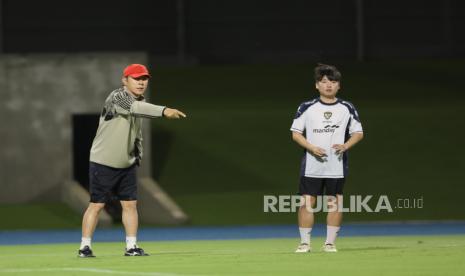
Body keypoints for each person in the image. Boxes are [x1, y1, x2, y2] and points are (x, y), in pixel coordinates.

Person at [78, 64, 186, 257]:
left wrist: (137, 155)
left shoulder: (140, 101)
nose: (141, 82)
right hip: (103, 161)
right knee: (96, 205)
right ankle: (84, 247)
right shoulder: (117, 97)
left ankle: (131, 246)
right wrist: (164, 110)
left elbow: (136, 133)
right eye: (136, 78)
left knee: (130, 205)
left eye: (144, 79)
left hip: (126, 164)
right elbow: (135, 108)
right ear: (124, 80)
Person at [290, 63, 363, 253]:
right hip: (312, 165)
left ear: (339, 85)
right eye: (324, 82)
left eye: (333, 81)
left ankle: (329, 243)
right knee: (307, 202)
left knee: (335, 202)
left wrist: (346, 145)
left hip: (336, 164)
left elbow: (358, 132)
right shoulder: (307, 107)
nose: (328, 85)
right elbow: (296, 133)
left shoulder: (347, 107)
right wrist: (312, 147)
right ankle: (305, 243)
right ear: (317, 85)